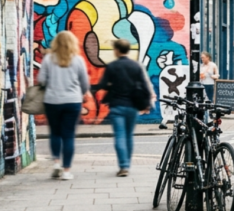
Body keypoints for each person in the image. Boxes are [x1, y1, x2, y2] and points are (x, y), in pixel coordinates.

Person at [95, 39, 156, 177]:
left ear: (117, 50)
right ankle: (126, 164)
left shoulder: (112, 66)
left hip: (117, 106)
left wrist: (112, 86)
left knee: (120, 136)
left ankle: (123, 166)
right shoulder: (136, 66)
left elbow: (102, 84)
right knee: (128, 136)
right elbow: (145, 86)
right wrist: (146, 103)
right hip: (132, 106)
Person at [39, 31, 91, 181]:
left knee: (55, 133)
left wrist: (51, 83)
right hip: (73, 101)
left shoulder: (48, 59)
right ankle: (66, 171)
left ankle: (56, 162)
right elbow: (85, 83)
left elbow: (41, 80)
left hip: (52, 101)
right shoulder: (78, 60)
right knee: (68, 135)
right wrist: (79, 93)